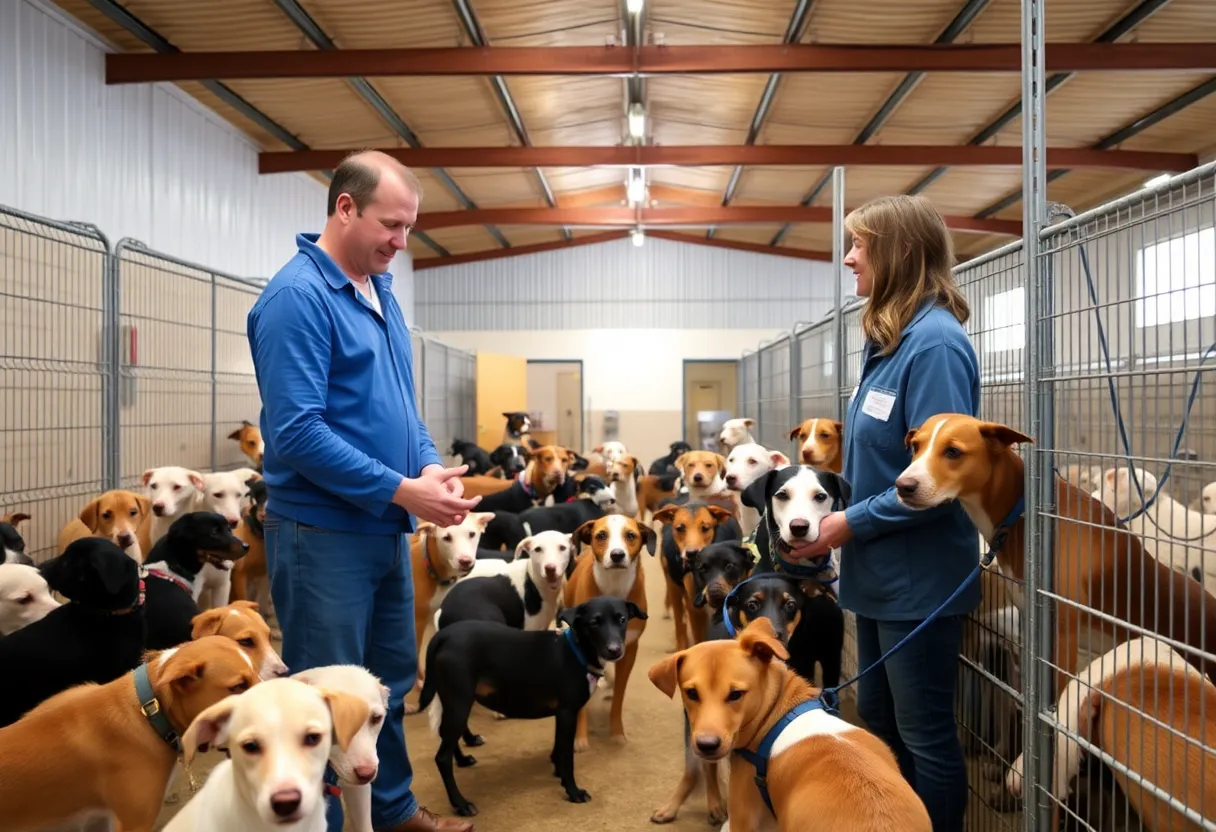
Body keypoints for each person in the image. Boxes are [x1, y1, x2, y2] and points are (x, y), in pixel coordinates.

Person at [247, 150, 482, 832]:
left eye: (409, 227)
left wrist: (428, 468)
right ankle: (316, 823)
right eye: (391, 224)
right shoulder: (297, 299)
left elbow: (402, 406)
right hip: (323, 531)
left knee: (385, 682)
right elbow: (295, 433)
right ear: (345, 208)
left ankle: (391, 809)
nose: (401, 242)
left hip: (382, 523)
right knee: (324, 698)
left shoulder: (379, 290)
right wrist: (402, 491)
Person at [790, 194, 980, 832]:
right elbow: (881, 460)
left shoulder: (935, 346)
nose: (849, 258)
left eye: (860, 245)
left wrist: (848, 523)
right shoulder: (891, 342)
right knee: (878, 717)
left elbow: (939, 478)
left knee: (924, 734)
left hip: (916, 578)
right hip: (876, 574)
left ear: (899, 252)